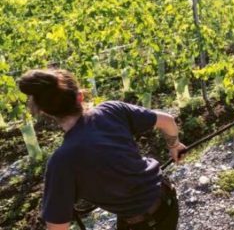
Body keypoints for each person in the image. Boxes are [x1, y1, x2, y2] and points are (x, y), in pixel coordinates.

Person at [17, 69, 186, 230]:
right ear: (80, 97)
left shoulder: (62, 162)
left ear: (46, 112)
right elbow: (168, 121)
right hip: (167, 198)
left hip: (144, 223)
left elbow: (57, 227)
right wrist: (175, 146)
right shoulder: (111, 110)